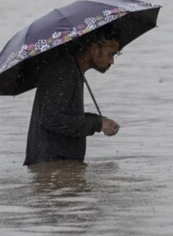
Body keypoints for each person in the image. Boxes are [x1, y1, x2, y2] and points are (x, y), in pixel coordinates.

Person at [23, 32, 121, 166]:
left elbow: (64, 115)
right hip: (52, 166)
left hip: (59, 167)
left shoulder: (72, 68)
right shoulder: (65, 70)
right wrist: (97, 124)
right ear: (94, 50)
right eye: (110, 54)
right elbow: (51, 119)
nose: (112, 61)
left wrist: (99, 121)